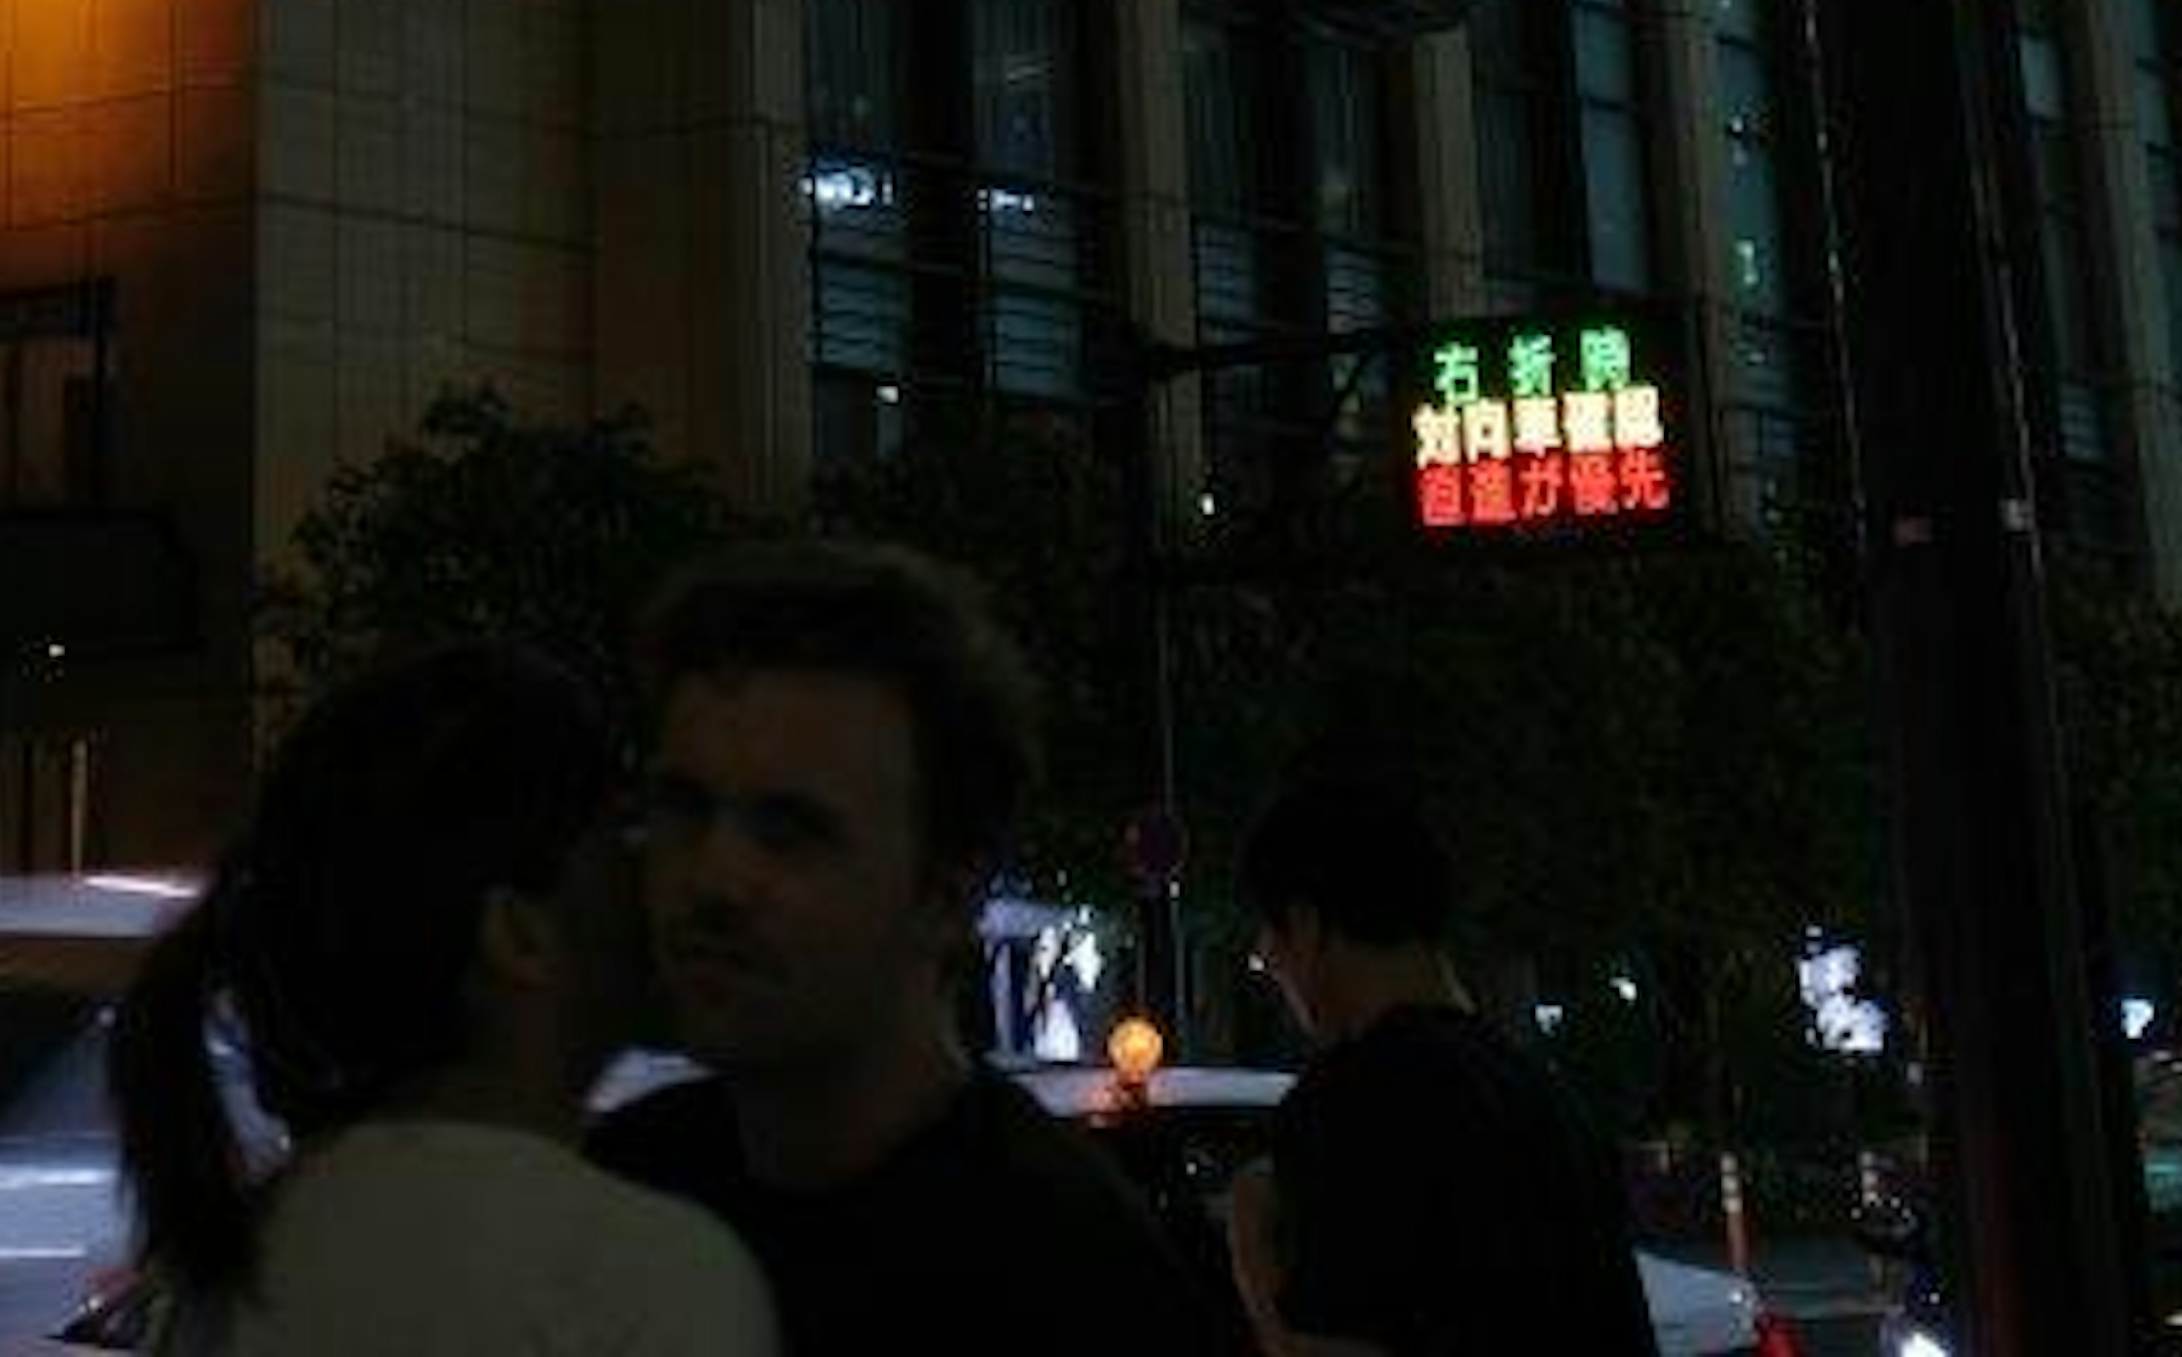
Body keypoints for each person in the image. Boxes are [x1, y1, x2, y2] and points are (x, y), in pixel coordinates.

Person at [593, 537, 1216, 1354]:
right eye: (682, 808)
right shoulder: (612, 1203)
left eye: (789, 831)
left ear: (946, 893)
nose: (713, 877)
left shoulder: (1074, 1282)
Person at [106, 635, 775, 1352]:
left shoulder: (227, 1273)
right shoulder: (652, 1274)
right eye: (622, 832)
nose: (676, 875)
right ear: (518, 932)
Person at [1224, 766, 1652, 1357]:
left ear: (1308, 923)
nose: (1268, 959)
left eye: (1270, 935)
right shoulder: (1551, 1105)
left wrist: (1252, 1254)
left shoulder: (1348, 1107)